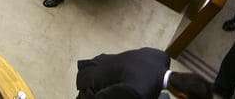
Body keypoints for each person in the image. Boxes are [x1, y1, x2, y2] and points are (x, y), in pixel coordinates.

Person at [75, 46, 211, 98]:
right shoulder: (138, 91)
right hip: (92, 86)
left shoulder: (162, 56)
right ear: (182, 97)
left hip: (100, 64)